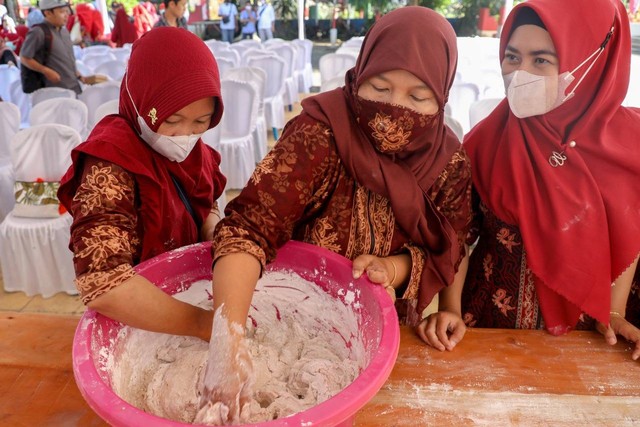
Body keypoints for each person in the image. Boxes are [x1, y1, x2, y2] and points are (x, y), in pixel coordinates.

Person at [198, 6, 472, 421]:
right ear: (358, 75)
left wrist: (403, 276)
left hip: (390, 329)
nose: (393, 110)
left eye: (417, 97)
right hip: (291, 318)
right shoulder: (318, 134)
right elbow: (248, 229)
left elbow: (452, 242)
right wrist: (227, 341)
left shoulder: (447, 159)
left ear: (442, 95)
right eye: (378, 88)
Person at [461, 0, 640, 360]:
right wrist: (449, 310)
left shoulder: (631, 144)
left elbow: (631, 230)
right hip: (490, 332)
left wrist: (615, 312)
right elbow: (456, 236)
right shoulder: (485, 142)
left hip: (598, 337)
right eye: (512, 57)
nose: (519, 74)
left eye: (541, 60)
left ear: (591, 60)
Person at [57, 27, 227, 342]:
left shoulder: (196, 153)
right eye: (172, 120)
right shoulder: (110, 162)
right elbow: (104, 283)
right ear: (140, 103)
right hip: (138, 316)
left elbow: (207, 201)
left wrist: (212, 230)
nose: (184, 136)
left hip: (190, 292)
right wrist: (206, 326)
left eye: (201, 122)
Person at [19, 0, 85, 95]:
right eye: (62, 12)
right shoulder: (38, 32)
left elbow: (67, 58)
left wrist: (76, 73)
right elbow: (24, 57)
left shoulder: (64, 31)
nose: (66, 15)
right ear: (48, 13)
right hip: (54, 91)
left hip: (74, 87)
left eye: (67, 11)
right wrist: (45, 70)